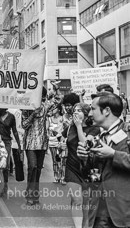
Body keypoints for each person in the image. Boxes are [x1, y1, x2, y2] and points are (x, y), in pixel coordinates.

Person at [77, 92, 130, 227]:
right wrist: (84, 159)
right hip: (98, 211)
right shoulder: (97, 136)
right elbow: (88, 174)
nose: (89, 113)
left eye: (93, 109)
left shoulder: (127, 132)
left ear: (106, 111)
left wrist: (113, 154)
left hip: (122, 211)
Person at [64, 103, 100, 228]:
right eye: (74, 110)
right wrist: (61, 143)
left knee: (86, 204)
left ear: (86, 114)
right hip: (71, 168)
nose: (75, 112)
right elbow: (61, 137)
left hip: (87, 168)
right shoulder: (69, 128)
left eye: (79, 110)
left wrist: (79, 126)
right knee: (77, 200)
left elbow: (85, 145)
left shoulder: (94, 129)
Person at [21, 87, 51, 205]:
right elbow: (24, 125)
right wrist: (33, 114)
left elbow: (57, 103)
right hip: (30, 143)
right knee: (32, 167)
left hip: (42, 143)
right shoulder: (27, 107)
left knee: (38, 169)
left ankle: (35, 194)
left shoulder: (45, 107)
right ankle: (29, 194)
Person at [0, 107, 21, 198]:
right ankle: (0, 188)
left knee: (5, 165)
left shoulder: (11, 117)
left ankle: (5, 185)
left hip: (6, 142)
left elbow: (14, 131)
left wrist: (19, 144)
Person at [47, 104, 64, 183]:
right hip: (51, 142)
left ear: (59, 109)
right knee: (55, 160)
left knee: (62, 160)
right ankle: (56, 177)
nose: (52, 109)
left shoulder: (63, 118)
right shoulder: (49, 119)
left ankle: (63, 177)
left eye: (54, 108)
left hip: (60, 142)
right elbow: (46, 129)